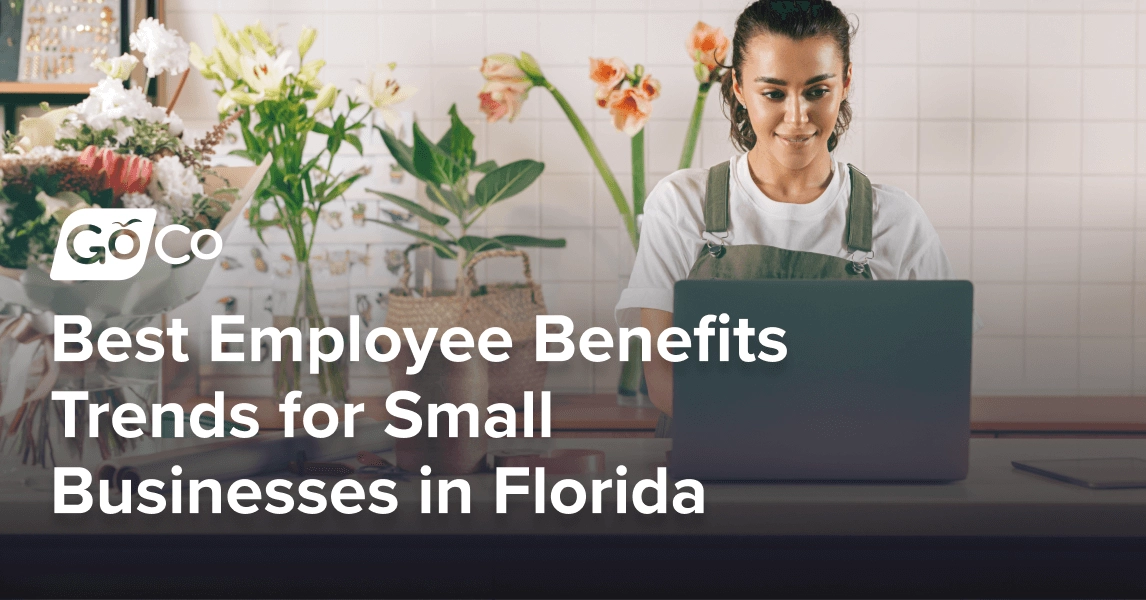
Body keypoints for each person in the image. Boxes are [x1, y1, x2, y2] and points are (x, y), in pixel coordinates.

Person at [614, 0, 975, 438]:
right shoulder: (681, 205)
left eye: (817, 91)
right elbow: (663, 374)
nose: (798, 116)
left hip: (853, 469)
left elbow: (937, 373)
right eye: (773, 92)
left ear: (845, 83)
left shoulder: (896, 219)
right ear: (739, 88)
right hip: (711, 473)